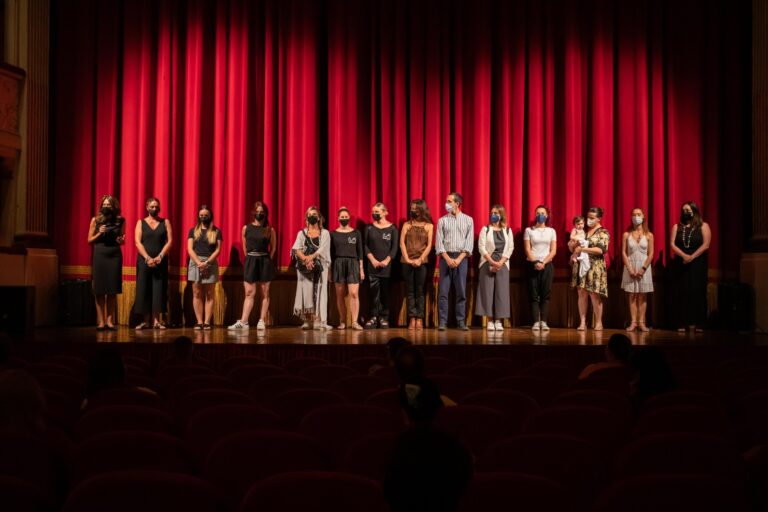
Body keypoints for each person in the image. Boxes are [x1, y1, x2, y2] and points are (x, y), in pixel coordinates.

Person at [229, 202, 277, 331]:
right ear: (253, 213)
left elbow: (273, 248)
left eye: (262, 212)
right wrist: (250, 259)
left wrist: (267, 260)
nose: (259, 214)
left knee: (265, 293)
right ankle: (244, 322)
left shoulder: (269, 229)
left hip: (264, 261)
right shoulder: (246, 228)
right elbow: (245, 248)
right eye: (257, 211)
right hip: (251, 260)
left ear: (265, 213)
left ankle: (261, 320)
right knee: (249, 293)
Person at [435, 192, 474, 331]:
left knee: (461, 292)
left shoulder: (468, 220)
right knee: (443, 292)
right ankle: (443, 322)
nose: (446, 203)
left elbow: (469, 243)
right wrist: (447, 258)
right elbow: (439, 243)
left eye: (449, 201)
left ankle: (461, 321)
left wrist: (458, 259)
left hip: (461, 258)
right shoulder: (442, 220)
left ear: (457, 203)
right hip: (445, 258)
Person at [670, 201, 711, 333]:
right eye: (683, 210)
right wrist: (684, 256)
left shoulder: (703, 226)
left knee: (697, 291)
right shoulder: (677, 227)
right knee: (682, 291)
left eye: (688, 210)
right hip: (681, 262)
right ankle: (682, 322)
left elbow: (706, 245)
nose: (685, 212)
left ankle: (698, 322)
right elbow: (672, 244)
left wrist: (692, 257)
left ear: (694, 210)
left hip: (698, 262)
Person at [87, 195, 125, 331]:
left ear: (114, 206)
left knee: (112, 290)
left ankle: (109, 321)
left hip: (114, 254)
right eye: (105, 204)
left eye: (109, 205)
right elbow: (89, 240)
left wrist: (121, 240)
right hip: (100, 254)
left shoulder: (120, 220)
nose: (107, 206)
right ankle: (101, 321)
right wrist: (99, 233)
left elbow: (122, 239)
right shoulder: (96, 220)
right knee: (100, 290)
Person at [134, 197, 173, 330]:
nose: (155, 209)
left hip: (160, 261)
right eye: (152, 207)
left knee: (158, 289)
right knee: (144, 289)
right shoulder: (140, 222)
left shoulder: (165, 222)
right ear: (147, 207)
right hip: (144, 261)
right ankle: (145, 321)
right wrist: (147, 258)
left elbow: (170, 241)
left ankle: (156, 321)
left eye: (157, 207)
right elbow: (137, 242)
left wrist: (160, 256)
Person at [292, 206, 332, 330]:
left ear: (319, 217)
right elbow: (296, 249)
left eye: (314, 214)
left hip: (320, 267)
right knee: (307, 291)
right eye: (310, 214)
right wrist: (305, 259)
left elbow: (323, 249)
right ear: (306, 217)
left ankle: (319, 321)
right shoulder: (302, 233)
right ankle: (307, 320)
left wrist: (312, 257)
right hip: (305, 268)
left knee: (320, 291)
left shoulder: (325, 233)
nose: (312, 216)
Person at [570, 206, 610, 331]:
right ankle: (582, 322)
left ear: (599, 218)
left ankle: (598, 322)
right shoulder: (584, 233)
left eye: (592, 218)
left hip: (595, 267)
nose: (589, 220)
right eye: (588, 217)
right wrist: (573, 245)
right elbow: (573, 248)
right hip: (582, 266)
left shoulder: (603, 232)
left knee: (594, 294)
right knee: (581, 293)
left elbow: (601, 249)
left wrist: (583, 249)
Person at [475, 204, 514, 331]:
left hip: (503, 264)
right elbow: (481, 247)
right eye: (492, 213)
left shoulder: (508, 230)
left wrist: (501, 262)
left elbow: (510, 248)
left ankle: (498, 320)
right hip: (487, 262)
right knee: (487, 292)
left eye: (496, 213)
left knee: (501, 292)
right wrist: (492, 262)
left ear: (501, 215)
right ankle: (490, 320)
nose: (493, 215)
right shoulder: (485, 229)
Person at [186, 205, 222, 330]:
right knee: (196, 293)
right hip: (195, 262)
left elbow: (218, 250)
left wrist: (206, 263)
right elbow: (190, 248)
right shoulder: (193, 231)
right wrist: (198, 263)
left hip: (210, 263)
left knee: (209, 294)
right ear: (198, 216)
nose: (203, 217)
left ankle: (207, 322)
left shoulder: (216, 231)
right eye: (201, 215)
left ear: (210, 216)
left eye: (206, 215)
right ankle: (199, 321)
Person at [400, 199, 434, 330]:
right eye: (411, 208)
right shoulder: (406, 225)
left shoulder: (429, 226)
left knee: (419, 291)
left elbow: (429, 245)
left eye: (415, 208)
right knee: (410, 291)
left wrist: (420, 259)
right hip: (407, 262)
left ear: (421, 210)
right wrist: (407, 259)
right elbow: (402, 243)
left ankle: (419, 318)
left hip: (422, 262)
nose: (412, 210)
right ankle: (411, 318)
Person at [364, 203, 399, 329]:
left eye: (377, 211)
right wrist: (372, 259)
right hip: (372, 266)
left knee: (385, 293)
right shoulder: (369, 228)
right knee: (373, 293)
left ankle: (384, 317)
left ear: (385, 212)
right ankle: (373, 317)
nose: (375, 213)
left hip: (386, 267)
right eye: (373, 211)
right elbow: (365, 245)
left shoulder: (393, 229)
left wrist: (387, 260)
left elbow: (395, 247)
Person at [524, 205, 557, 331]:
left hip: (547, 265)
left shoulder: (551, 231)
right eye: (538, 213)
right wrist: (536, 262)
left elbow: (553, 251)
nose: (540, 215)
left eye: (542, 213)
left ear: (547, 215)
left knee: (545, 294)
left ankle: (544, 321)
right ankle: (536, 322)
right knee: (533, 294)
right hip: (532, 265)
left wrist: (543, 263)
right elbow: (527, 249)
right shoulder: (529, 230)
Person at [330, 207, 365, 330]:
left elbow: (360, 252)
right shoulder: (333, 234)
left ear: (349, 218)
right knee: (339, 294)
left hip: (353, 263)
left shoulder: (356, 233)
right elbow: (331, 254)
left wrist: (361, 269)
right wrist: (330, 271)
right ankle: (343, 321)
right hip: (338, 264)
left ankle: (355, 321)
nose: (344, 218)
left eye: (346, 217)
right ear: (338, 218)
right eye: (342, 217)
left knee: (354, 293)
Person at [621, 208, 654, 332]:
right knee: (632, 295)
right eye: (634, 214)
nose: (636, 216)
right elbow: (623, 253)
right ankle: (633, 322)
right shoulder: (626, 234)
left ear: (643, 216)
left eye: (639, 214)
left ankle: (642, 323)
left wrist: (643, 268)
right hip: (630, 266)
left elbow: (651, 254)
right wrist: (629, 268)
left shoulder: (649, 235)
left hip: (644, 268)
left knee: (642, 295)